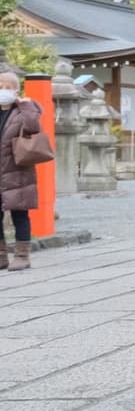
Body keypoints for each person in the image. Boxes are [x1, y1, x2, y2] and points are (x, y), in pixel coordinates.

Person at [0, 71, 42, 272]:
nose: (3, 90)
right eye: (0, 86)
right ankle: (1, 256)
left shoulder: (24, 109)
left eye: (7, 87)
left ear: (16, 90)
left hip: (16, 170)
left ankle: (22, 255)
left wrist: (24, 104)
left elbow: (33, 127)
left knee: (19, 213)